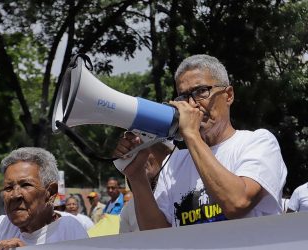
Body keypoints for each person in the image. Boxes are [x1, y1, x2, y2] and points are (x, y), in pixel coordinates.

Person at [114, 54, 287, 229]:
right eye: (183, 97)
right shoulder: (174, 163)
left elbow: (237, 203)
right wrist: (137, 177)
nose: (192, 104)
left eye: (201, 91)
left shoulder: (258, 142)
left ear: (228, 95)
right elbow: (157, 236)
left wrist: (191, 134)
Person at [119, 142, 172, 233]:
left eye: (145, 149)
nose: (140, 157)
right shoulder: (128, 209)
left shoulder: (180, 191)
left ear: (167, 154)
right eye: (134, 152)